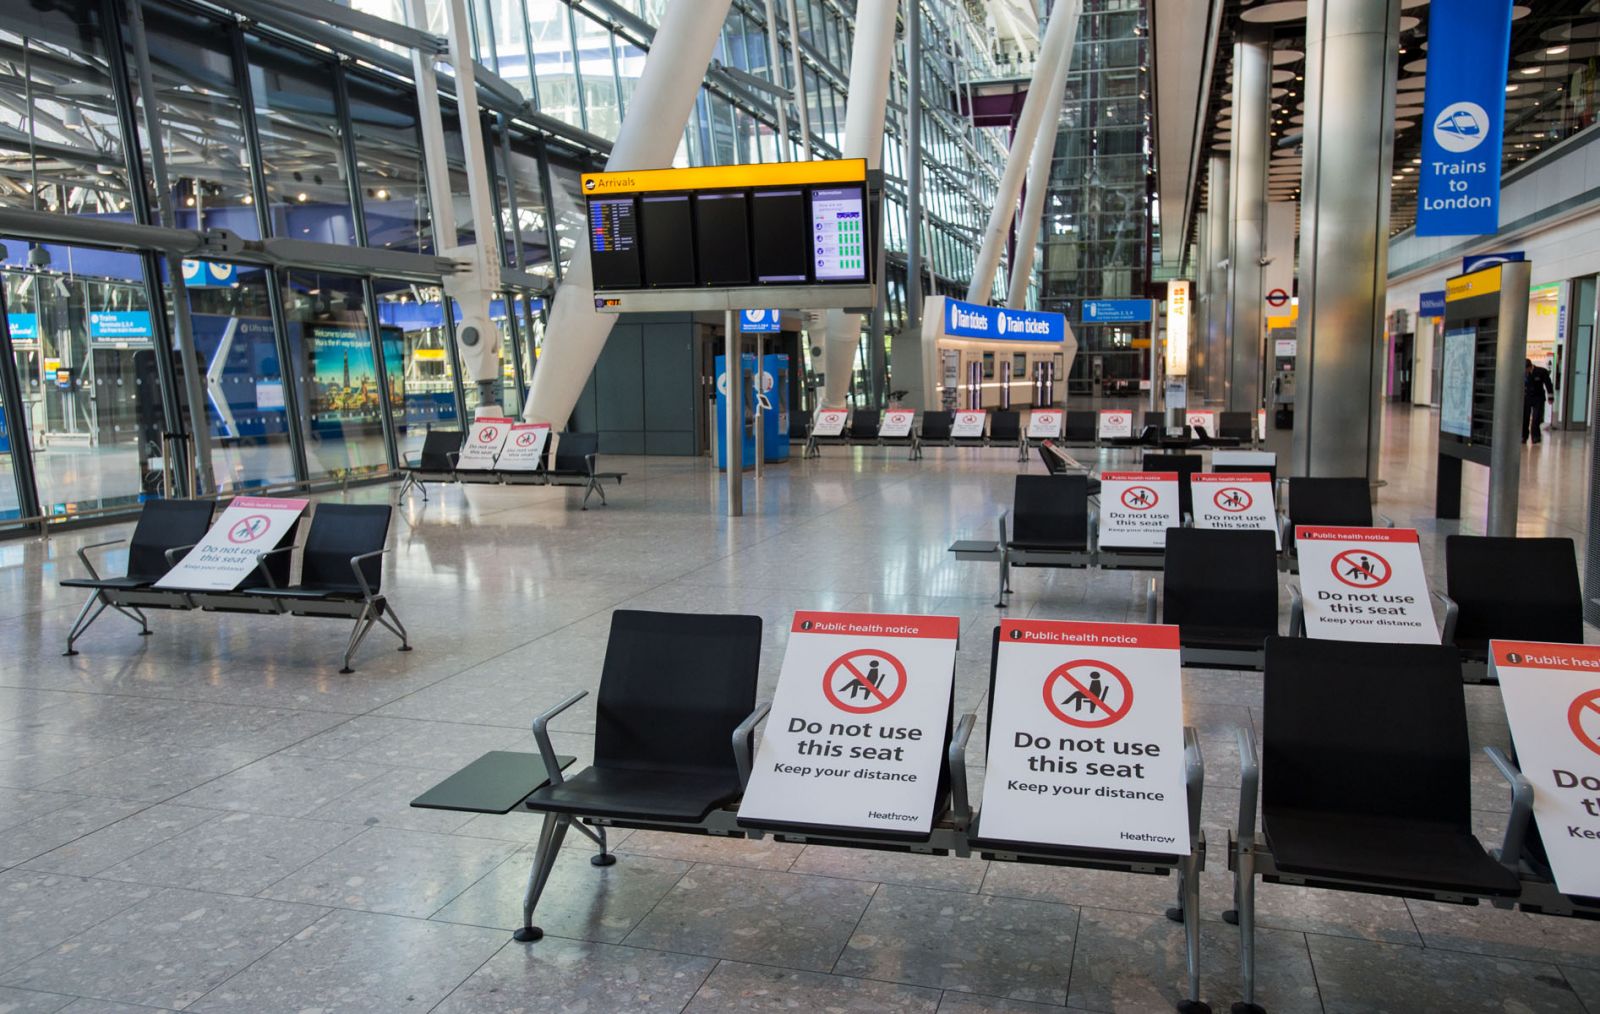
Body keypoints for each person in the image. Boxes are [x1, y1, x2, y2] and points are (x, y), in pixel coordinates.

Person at [1523, 358, 1554, 444]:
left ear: (1529, 367)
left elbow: (1548, 384)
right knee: (1525, 417)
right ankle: (1524, 436)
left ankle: (1536, 437)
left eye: (1526, 369)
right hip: (1527, 397)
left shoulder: (1541, 371)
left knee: (1536, 418)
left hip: (1538, 398)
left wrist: (1550, 397)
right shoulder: (1522, 373)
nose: (1525, 371)